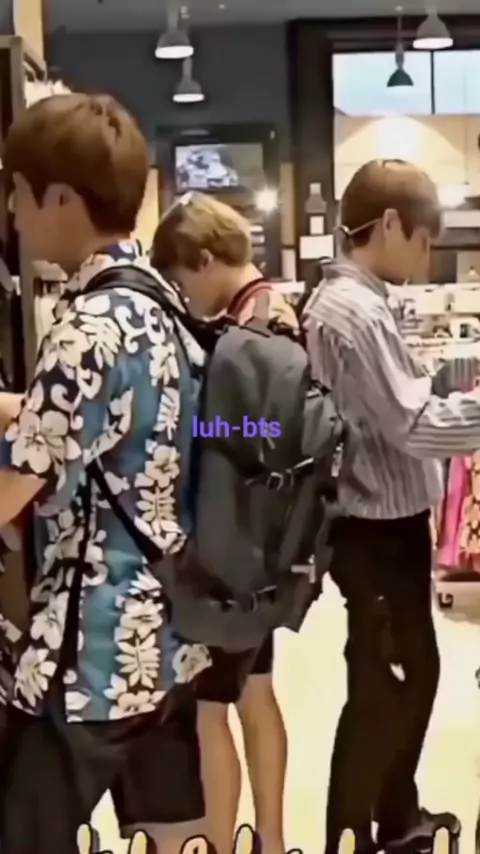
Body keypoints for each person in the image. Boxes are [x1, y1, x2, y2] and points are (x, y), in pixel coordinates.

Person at [0, 92, 212, 854]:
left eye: (18, 193)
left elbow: (11, 488)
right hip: (167, 635)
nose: (13, 214)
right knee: (175, 834)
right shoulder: (161, 305)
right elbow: (123, 427)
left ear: (61, 197)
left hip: (86, 654)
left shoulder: (85, 328)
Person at [302, 158, 480, 854]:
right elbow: (415, 422)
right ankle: (354, 834)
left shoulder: (354, 302)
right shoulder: (354, 310)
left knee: (405, 676)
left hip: (381, 520)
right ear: (390, 225)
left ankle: (394, 816)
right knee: (384, 687)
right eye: (424, 240)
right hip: (373, 524)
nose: (427, 257)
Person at [151, 192, 294, 854]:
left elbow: (247, 437)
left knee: (211, 710)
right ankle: (270, 839)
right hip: (266, 544)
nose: (185, 296)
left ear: (204, 259)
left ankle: (218, 843)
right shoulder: (276, 312)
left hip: (232, 547)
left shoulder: (243, 334)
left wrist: (198, 430)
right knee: (256, 695)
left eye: (183, 279)